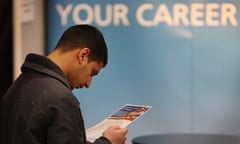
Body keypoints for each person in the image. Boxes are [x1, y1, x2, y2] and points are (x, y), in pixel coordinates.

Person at [0, 25, 128, 144]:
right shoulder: (61, 99)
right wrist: (108, 142)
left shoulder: (20, 83)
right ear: (83, 55)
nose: (88, 84)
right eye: (92, 72)